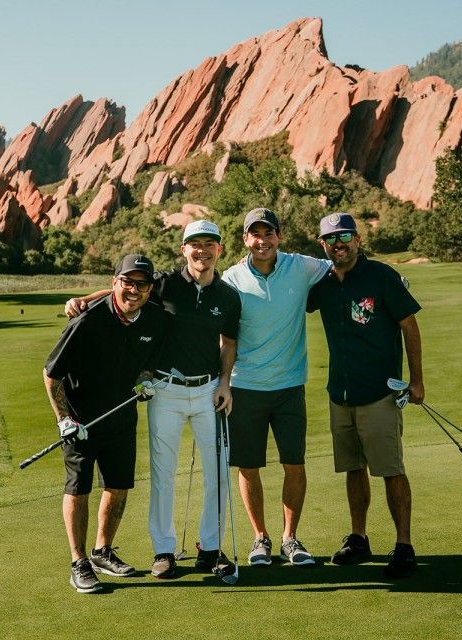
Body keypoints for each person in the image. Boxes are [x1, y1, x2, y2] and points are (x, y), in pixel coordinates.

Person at [65, 220, 241, 579]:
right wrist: (85, 300)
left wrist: (225, 382)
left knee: (218, 472)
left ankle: (210, 549)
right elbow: (127, 288)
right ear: (184, 250)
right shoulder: (164, 283)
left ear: (220, 249)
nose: (202, 251)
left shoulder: (227, 296)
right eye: (195, 244)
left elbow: (229, 342)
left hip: (209, 391)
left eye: (209, 244)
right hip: (166, 389)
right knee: (163, 473)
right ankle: (164, 550)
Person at [306, 212, 424, 578]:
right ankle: (359, 537)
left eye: (345, 237)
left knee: (390, 469)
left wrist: (416, 380)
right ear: (323, 245)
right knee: (353, 468)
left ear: (357, 239)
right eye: (331, 239)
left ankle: (403, 543)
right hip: (340, 393)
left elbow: (409, 325)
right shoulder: (321, 282)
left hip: (379, 393)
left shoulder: (381, 276)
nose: (338, 245)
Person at [44, 254, 169, 594]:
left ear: (150, 288)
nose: (133, 289)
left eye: (141, 283)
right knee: (79, 488)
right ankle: (78, 562)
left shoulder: (156, 320)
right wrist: (64, 419)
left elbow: (149, 363)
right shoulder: (86, 322)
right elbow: (51, 374)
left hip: (122, 418)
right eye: (126, 282)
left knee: (118, 485)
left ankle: (102, 551)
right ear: (115, 283)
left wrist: (145, 381)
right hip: (81, 422)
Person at [220, 207, 331, 567]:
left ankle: (290, 538)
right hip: (245, 388)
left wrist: (393, 282)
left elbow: (346, 267)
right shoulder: (232, 278)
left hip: (288, 387)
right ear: (245, 240)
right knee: (248, 467)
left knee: (294, 464)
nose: (262, 240)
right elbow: (224, 336)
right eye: (255, 234)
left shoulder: (301, 267)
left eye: (269, 233)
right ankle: (260, 538)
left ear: (279, 237)